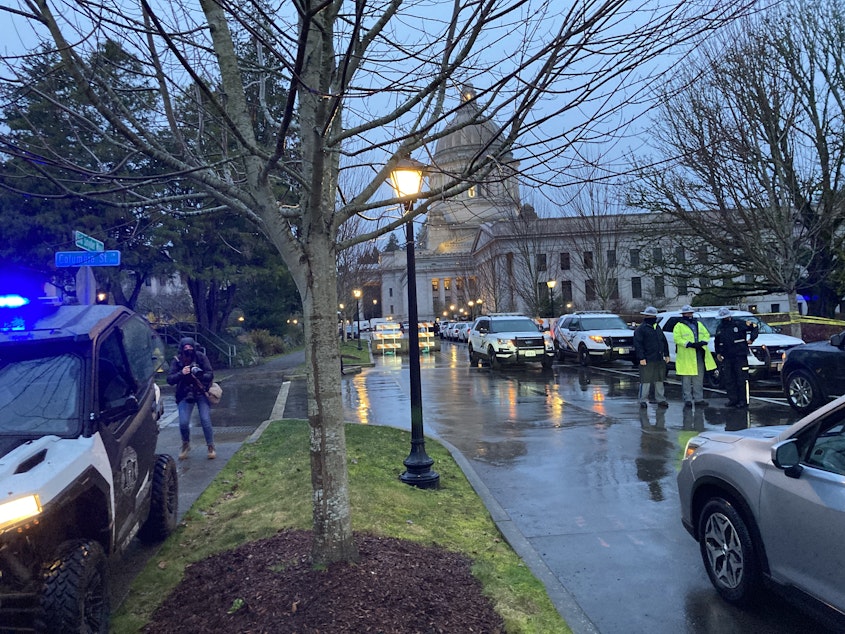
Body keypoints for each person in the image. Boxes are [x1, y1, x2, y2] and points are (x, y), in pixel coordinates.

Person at [167, 337, 216, 460]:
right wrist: (181, 373)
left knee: (205, 419)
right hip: (184, 393)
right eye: (185, 348)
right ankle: (185, 444)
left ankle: (210, 446)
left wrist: (199, 374)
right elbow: (170, 379)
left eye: (190, 347)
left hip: (200, 392)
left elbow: (210, 374)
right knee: (183, 422)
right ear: (181, 349)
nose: (188, 350)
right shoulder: (177, 361)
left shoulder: (200, 357)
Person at [672, 305, 716, 408]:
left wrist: (703, 342)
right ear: (683, 314)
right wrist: (688, 344)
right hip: (686, 355)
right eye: (688, 313)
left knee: (698, 378)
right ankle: (687, 399)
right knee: (686, 379)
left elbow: (706, 334)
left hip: (699, 353)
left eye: (691, 313)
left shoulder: (699, 324)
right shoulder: (679, 326)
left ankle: (698, 399)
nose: (690, 315)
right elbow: (677, 338)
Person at [715, 307, 758, 408]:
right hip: (727, 357)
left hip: (740, 356)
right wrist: (718, 353)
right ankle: (733, 399)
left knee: (741, 379)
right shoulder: (720, 327)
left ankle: (743, 400)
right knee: (729, 379)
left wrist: (752, 339)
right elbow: (717, 341)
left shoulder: (739, 323)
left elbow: (755, 327)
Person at [633, 306, 670, 408]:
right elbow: (638, 345)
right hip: (647, 359)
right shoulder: (641, 329)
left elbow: (663, 341)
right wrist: (641, 358)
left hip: (658, 358)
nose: (652, 317)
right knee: (645, 381)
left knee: (659, 380)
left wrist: (666, 354)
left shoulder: (657, 327)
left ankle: (660, 399)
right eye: (650, 316)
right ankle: (642, 400)